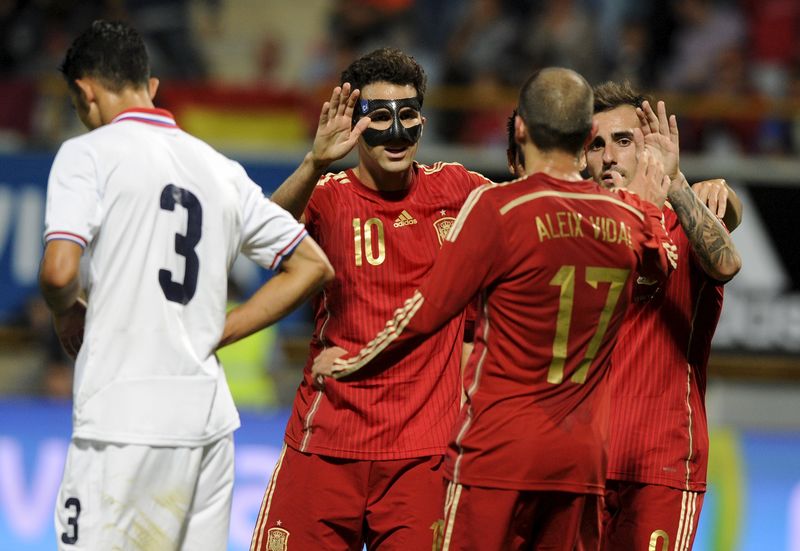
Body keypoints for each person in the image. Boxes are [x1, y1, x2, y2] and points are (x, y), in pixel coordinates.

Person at [313, 67, 677, 551]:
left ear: (520, 129)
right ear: (588, 135)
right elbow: (662, 263)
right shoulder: (629, 219)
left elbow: (424, 311)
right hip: (582, 458)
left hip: (499, 450)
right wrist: (653, 201)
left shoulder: (499, 208)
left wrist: (351, 362)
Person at [39, 20, 333, 550]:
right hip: (209, 424)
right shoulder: (218, 167)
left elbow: (60, 272)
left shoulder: (87, 154)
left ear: (84, 93)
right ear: (151, 87)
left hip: (121, 421)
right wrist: (215, 331)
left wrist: (66, 310)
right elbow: (312, 265)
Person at [249, 47, 491, 550]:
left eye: (408, 116)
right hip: (326, 442)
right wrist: (315, 161)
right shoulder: (327, 195)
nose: (397, 133)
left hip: (422, 457)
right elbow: (258, 241)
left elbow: (539, 201)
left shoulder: (461, 189)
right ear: (354, 122)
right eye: (380, 117)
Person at [583, 81, 743, 550]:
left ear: (650, 148)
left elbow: (727, 263)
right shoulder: (570, 231)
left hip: (661, 468)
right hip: (579, 465)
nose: (609, 156)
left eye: (623, 140)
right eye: (596, 144)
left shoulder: (684, 222)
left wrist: (677, 186)